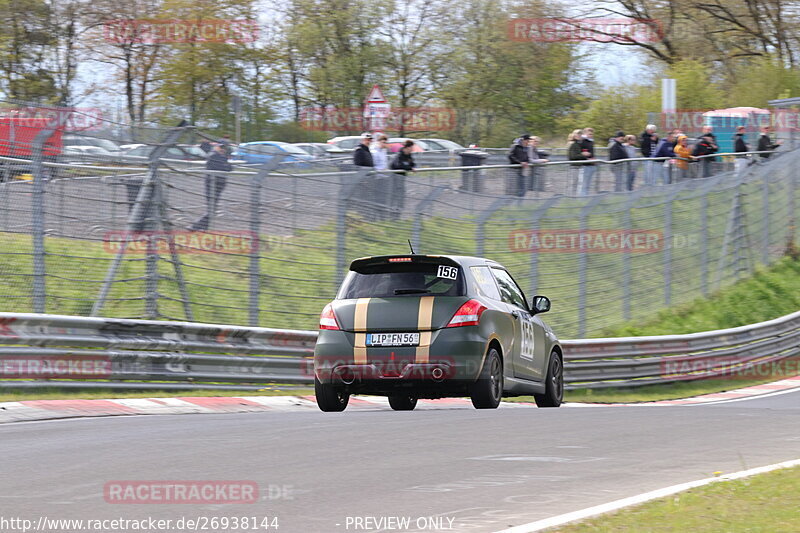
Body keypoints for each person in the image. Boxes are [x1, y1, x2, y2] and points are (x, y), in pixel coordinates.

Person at [190, 144, 232, 231]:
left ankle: (203, 227)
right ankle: (195, 226)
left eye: (224, 148)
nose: (223, 150)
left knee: (212, 208)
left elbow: (229, 168)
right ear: (217, 147)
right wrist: (225, 165)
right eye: (221, 147)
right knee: (212, 209)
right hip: (213, 184)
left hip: (218, 184)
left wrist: (225, 165)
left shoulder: (221, 156)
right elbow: (224, 168)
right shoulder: (214, 155)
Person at [389, 140, 416, 218]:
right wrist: (410, 168)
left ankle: (398, 215)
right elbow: (399, 165)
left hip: (402, 179)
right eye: (411, 147)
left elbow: (412, 163)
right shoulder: (399, 156)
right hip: (395, 180)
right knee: (394, 197)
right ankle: (392, 215)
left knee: (401, 196)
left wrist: (411, 167)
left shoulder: (409, 155)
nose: (412, 149)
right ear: (407, 147)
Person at [577, 127, 596, 195]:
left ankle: (585, 197)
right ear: (585, 133)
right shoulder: (581, 141)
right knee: (583, 183)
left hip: (591, 164)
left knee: (588, 183)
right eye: (589, 134)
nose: (591, 135)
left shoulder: (591, 141)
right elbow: (579, 152)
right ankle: (581, 198)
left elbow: (591, 152)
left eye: (591, 134)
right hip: (584, 165)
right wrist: (586, 158)